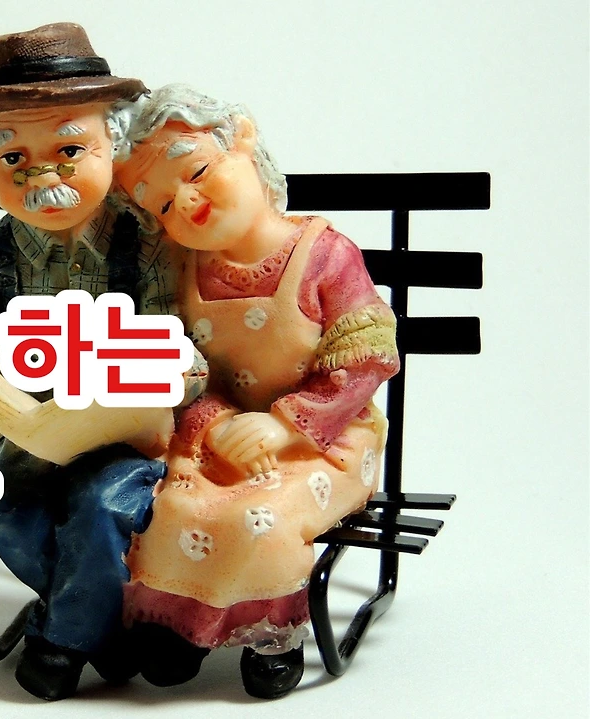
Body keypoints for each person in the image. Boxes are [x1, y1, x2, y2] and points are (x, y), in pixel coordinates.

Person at [114, 84, 400, 699]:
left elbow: (367, 357)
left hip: (322, 438)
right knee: (172, 507)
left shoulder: (326, 254)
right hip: (218, 437)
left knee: (260, 517)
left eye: (196, 172)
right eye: (161, 205)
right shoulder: (181, 272)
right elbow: (177, 365)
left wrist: (285, 424)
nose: (185, 203)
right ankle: (176, 628)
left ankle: (271, 636)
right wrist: (215, 424)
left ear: (242, 138)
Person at [0, 23, 192, 701]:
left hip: (130, 442)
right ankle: (114, 631)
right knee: (1, 511)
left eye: (70, 148)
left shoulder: (150, 244)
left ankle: (67, 638)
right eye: (11, 156)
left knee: (100, 503)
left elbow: (184, 342)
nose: (43, 174)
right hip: (31, 440)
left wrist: (157, 376)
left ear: (114, 143)